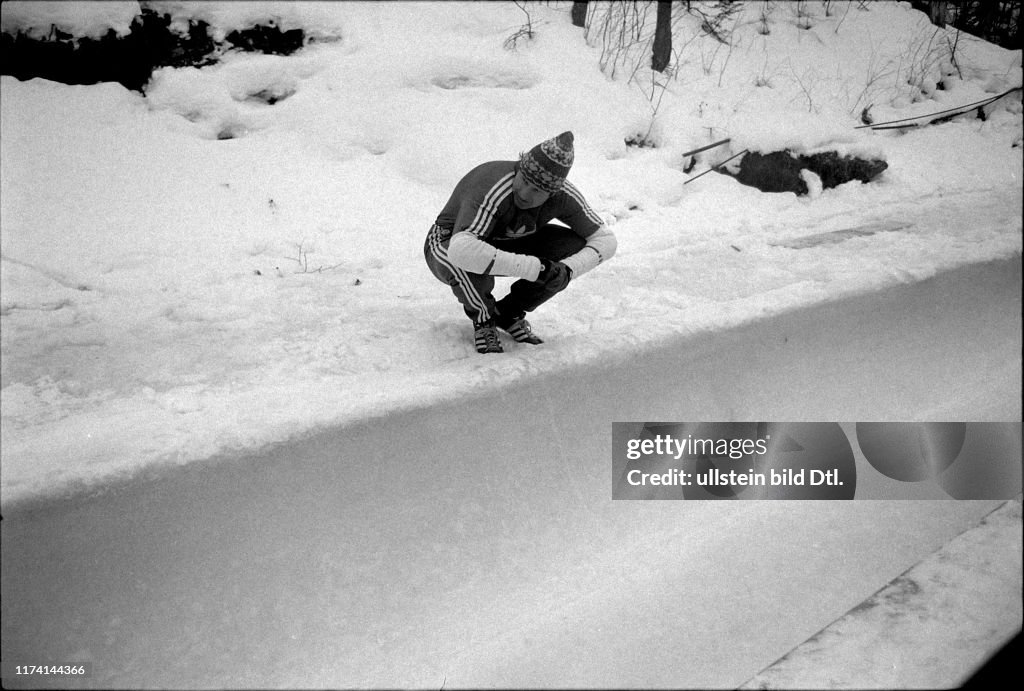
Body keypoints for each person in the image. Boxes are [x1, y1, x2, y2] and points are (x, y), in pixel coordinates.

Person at [423, 131, 617, 353]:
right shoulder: (492, 184)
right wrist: (536, 269)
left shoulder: (563, 194)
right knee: (462, 258)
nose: (525, 193)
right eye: (523, 181)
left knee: (575, 247)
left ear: (552, 194)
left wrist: (567, 271)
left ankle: (509, 313)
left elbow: (605, 240)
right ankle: (484, 320)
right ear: (519, 169)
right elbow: (462, 249)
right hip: (447, 241)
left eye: (536, 191)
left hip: (502, 241)